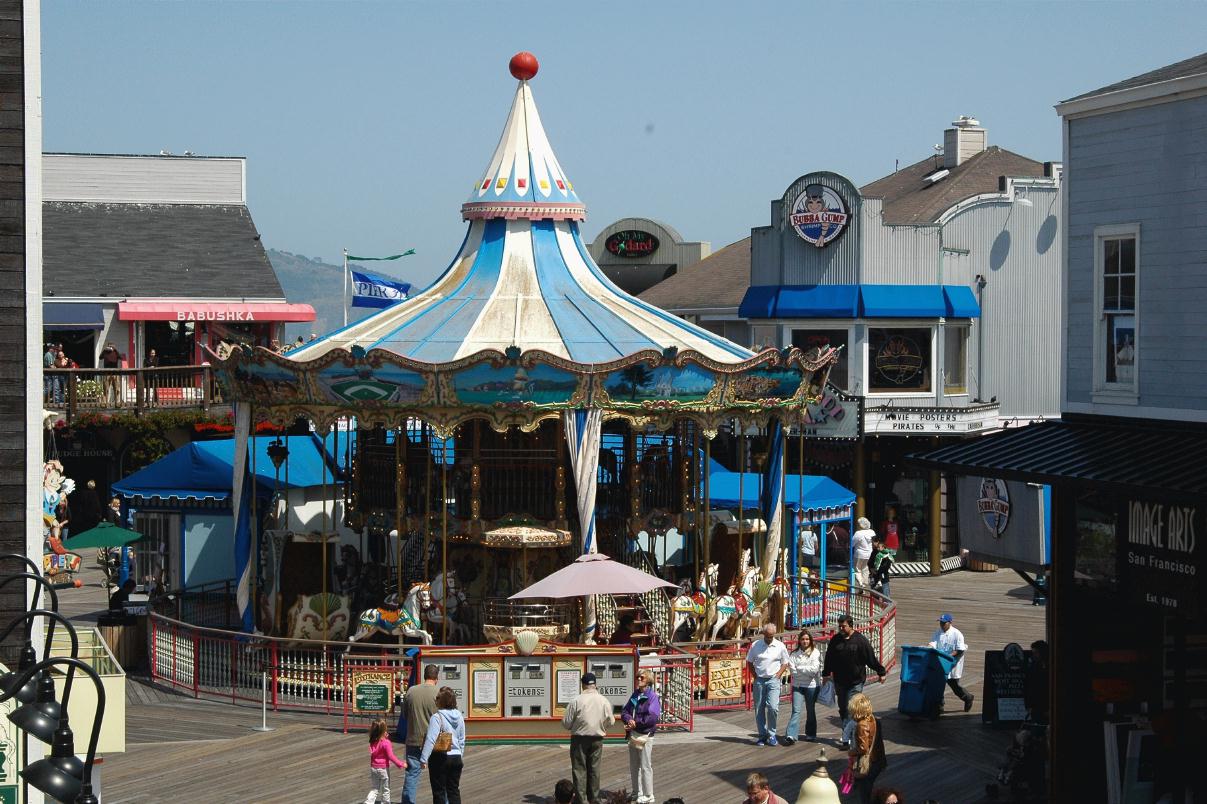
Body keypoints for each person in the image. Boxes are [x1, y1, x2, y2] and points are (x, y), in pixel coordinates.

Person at [822, 614, 887, 746]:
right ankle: (848, 732)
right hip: (840, 681)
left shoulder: (860, 641)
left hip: (856, 682)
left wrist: (881, 672)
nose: (841, 628)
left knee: (852, 709)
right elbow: (829, 658)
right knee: (843, 709)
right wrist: (826, 674)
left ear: (850, 625)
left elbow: (870, 658)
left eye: (843, 626)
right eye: (839, 626)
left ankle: (848, 736)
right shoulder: (835, 640)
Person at [560, 672, 615, 804]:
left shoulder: (576, 700)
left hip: (579, 738)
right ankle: (594, 798)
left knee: (579, 769)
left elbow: (566, 723)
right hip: (597, 739)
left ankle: (581, 799)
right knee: (594, 769)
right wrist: (602, 726)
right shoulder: (603, 700)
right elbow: (611, 722)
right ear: (595, 684)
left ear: (583, 685)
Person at [400, 664, 441, 804]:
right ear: (437, 677)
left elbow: (405, 715)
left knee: (412, 774)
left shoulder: (411, 691)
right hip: (436, 741)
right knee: (438, 776)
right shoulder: (440, 693)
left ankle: (408, 802)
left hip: (413, 739)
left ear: (424, 676)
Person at [745, 623, 791, 746]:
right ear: (764, 634)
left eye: (771, 636)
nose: (769, 638)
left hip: (773, 679)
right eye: (767, 636)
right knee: (759, 708)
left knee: (773, 707)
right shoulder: (756, 645)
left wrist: (778, 675)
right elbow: (749, 661)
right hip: (760, 679)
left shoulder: (780, 646)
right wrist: (755, 676)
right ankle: (762, 735)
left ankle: (772, 734)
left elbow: (785, 662)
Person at [420, 686, 465, 804]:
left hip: (441, 757)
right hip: (456, 757)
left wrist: (423, 759)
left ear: (441, 701)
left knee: (439, 791)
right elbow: (461, 739)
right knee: (454, 790)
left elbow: (431, 739)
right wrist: (460, 754)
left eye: (437, 698)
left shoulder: (437, 717)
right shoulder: (459, 716)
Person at [621, 669, 660, 804]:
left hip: (645, 735)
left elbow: (652, 718)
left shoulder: (652, 697)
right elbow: (625, 711)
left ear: (648, 680)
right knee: (634, 766)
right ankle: (637, 792)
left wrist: (634, 723)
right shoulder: (635, 694)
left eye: (641, 677)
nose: (638, 679)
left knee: (645, 766)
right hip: (634, 734)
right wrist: (628, 720)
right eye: (637, 677)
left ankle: (649, 795)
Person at [847, 693, 887, 804]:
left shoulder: (861, 725)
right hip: (878, 760)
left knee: (865, 790)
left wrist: (851, 752)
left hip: (868, 764)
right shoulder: (874, 719)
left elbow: (863, 749)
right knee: (868, 786)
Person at [784, 629, 823, 744]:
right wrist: (802, 670)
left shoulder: (815, 652)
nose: (805, 641)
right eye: (803, 639)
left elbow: (814, 670)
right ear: (799, 641)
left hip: (811, 686)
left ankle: (811, 734)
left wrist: (799, 668)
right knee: (796, 710)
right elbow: (793, 672)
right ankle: (791, 735)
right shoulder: (794, 654)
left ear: (810, 640)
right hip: (797, 685)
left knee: (810, 710)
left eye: (807, 639)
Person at [931, 613, 974, 712]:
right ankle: (939, 706)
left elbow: (960, 650)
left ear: (950, 623)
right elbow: (933, 643)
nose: (942, 624)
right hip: (941, 662)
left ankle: (967, 697)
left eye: (944, 623)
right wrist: (930, 646)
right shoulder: (938, 632)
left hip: (953, 663)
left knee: (954, 686)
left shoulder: (957, 634)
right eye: (941, 622)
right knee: (938, 684)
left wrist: (949, 656)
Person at [364, 717, 404, 804]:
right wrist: (400, 764)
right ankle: (385, 802)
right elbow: (390, 756)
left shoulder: (372, 740)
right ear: (384, 730)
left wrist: (383, 737)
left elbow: (378, 743)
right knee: (386, 788)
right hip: (383, 769)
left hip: (374, 767)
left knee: (375, 788)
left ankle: (368, 802)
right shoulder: (386, 743)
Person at [1024, 639, 1049, 724]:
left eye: (1036, 653)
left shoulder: (1050, 666)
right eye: (1033, 653)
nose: (1034, 655)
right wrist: (1028, 705)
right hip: (1036, 704)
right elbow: (1029, 686)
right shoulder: (1034, 667)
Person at [852, 517, 875, 587]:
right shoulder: (872, 532)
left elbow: (852, 544)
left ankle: (861, 584)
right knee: (865, 568)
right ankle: (865, 583)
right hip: (869, 554)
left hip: (859, 554)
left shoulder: (858, 533)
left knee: (857, 569)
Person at [99, 342, 123, 407]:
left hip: (115, 373)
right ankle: (104, 403)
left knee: (117, 389)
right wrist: (104, 350)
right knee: (106, 389)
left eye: (112, 346)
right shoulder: (105, 352)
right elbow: (100, 357)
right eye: (110, 346)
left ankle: (117, 403)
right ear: (108, 346)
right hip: (107, 373)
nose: (111, 347)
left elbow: (121, 357)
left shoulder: (115, 352)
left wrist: (115, 350)